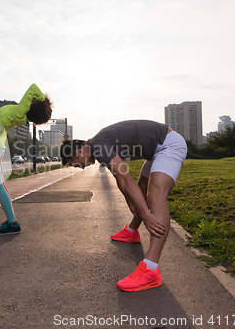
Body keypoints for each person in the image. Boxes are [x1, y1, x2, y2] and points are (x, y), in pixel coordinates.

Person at [60, 120, 187, 292]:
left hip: (167, 145)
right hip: (156, 150)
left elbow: (126, 177)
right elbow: (119, 178)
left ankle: (150, 269)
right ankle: (132, 232)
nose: (80, 167)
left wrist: (146, 214)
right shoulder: (98, 145)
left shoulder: (98, 146)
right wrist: (130, 201)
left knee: (155, 196)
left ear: (80, 150)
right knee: (140, 190)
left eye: (76, 163)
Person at [0, 83, 52, 235]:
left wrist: (43, 101)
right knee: (0, 186)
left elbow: (33, 87)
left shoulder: (20, 111)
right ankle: (11, 221)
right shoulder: (21, 114)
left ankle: (12, 223)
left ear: (33, 105)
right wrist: (43, 104)